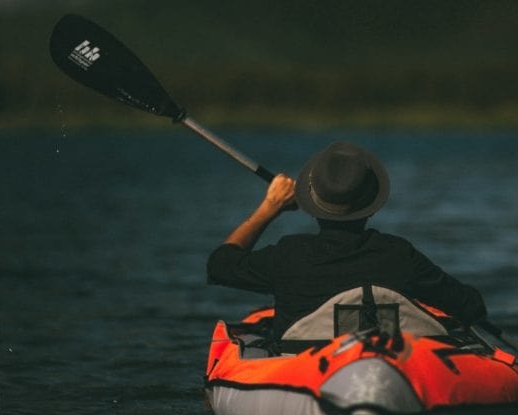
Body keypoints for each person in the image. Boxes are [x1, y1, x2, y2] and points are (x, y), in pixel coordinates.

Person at [207, 141, 488, 340]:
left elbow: (219, 265)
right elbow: (471, 306)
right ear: (373, 205)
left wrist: (270, 207)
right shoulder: (398, 255)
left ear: (311, 204)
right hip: (388, 374)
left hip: (303, 373)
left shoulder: (289, 255)